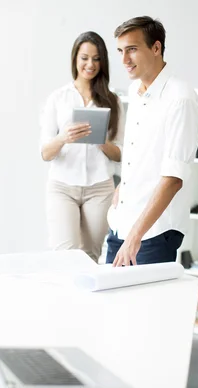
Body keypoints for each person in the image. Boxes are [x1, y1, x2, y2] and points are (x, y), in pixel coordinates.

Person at [106, 16, 198, 266]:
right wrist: (122, 187)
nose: (124, 60)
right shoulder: (135, 93)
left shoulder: (180, 98)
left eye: (132, 50)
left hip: (152, 234)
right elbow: (142, 152)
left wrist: (135, 237)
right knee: (107, 304)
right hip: (121, 225)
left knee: (143, 306)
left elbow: (173, 178)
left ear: (156, 48)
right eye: (120, 51)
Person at [40, 31, 124, 262]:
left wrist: (102, 142)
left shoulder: (113, 101)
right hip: (62, 187)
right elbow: (45, 153)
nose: (90, 64)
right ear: (75, 58)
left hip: (99, 188)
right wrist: (63, 138)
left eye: (96, 59)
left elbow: (120, 154)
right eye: (84, 57)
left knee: (90, 257)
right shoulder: (58, 98)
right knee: (65, 256)